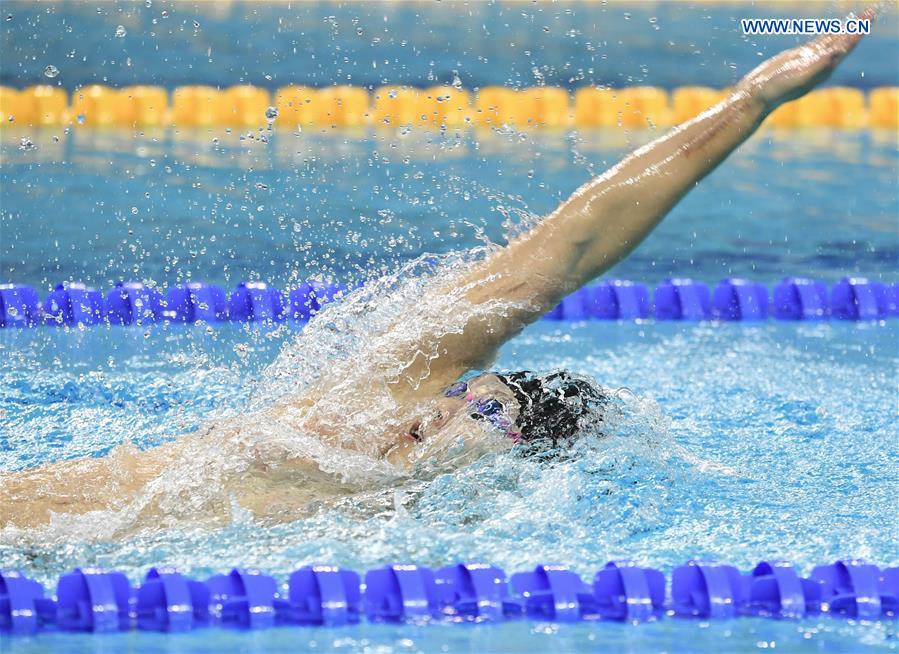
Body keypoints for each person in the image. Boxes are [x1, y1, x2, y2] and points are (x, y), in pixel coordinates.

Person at [0, 24, 870, 536]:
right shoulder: (370, 403)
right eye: (467, 392)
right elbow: (563, 252)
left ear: (517, 466)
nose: (446, 410)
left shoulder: (417, 525)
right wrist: (751, 101)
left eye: (484, 418)